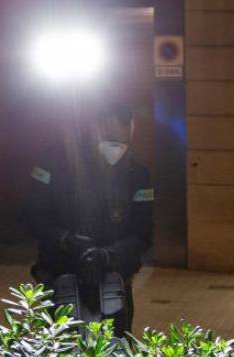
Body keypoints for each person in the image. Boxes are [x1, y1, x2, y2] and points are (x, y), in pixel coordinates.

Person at [24, 101, 153, 337]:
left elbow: (143, 233)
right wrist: (66, 240)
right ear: (93, 130)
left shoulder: (137, 174)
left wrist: (107, 255)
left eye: (122, 143)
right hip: (59, 277)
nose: (117, 150)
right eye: (109, 141)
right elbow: (32, 216)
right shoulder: (53, 163)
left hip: (114, 286)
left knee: (115, 356)